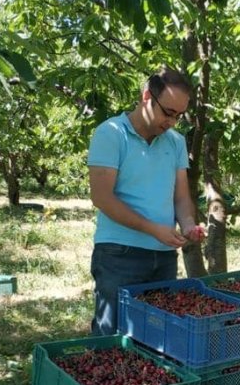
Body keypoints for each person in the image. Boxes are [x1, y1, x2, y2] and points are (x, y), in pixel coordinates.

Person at [87, 68, 205, 336]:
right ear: (146, 97)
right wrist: (153, 229)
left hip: (163, 256)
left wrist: (188, 224)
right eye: (167, 112)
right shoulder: (111, 134)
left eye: (179, 116)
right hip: (119, 254)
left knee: (157, 338)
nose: (172, 122)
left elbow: (181, 196)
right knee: (112, 336)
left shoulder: (175, 142)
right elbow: (102, 197)